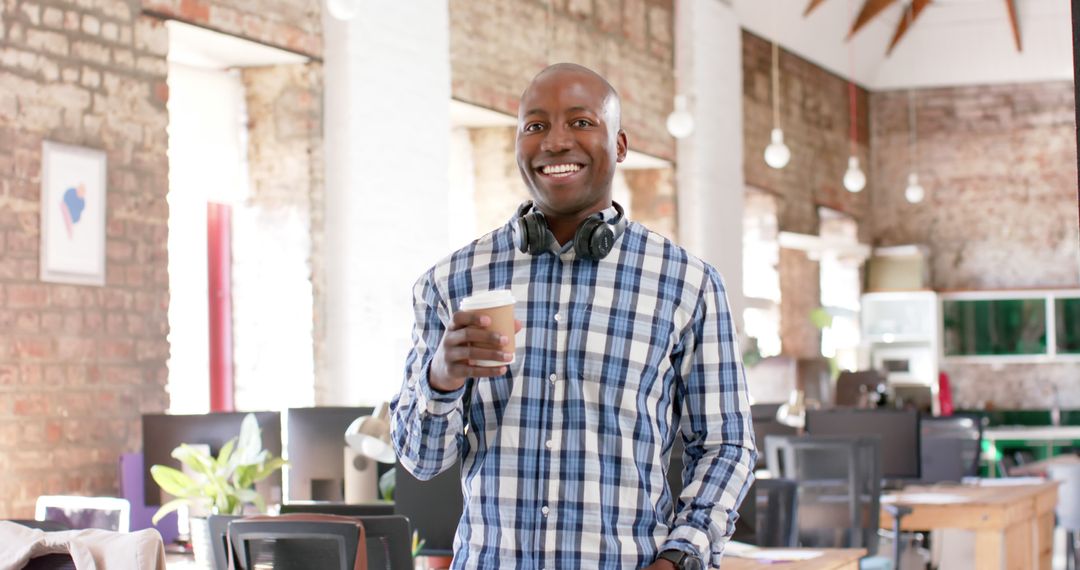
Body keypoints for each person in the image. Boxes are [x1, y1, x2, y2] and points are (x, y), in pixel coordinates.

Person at [391, 63, 756, 570]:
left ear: (621, 145)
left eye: (581, 122)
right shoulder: (451, 282)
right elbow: (420, 461)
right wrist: (442, 378)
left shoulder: (687, 284)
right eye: (535, 126)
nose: (556, 142)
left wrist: (681, 555)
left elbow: (726, 446)